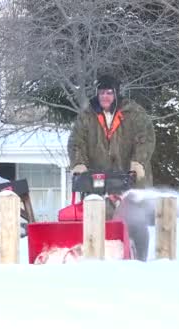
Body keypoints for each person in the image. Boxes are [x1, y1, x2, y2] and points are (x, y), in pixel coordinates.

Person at [67, 74, 156, 261]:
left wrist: (138, 162)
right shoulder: (87, 116)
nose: (105, 97)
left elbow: (145, 138)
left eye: (109, 92)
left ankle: (139, 261)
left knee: (135, 222)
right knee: (100, 220)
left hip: (130, 179)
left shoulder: (134, 113)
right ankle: (104, 259)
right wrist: (79, 163)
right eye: (101, 92)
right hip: (99, 180)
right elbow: (76, 141)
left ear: (116, 94)